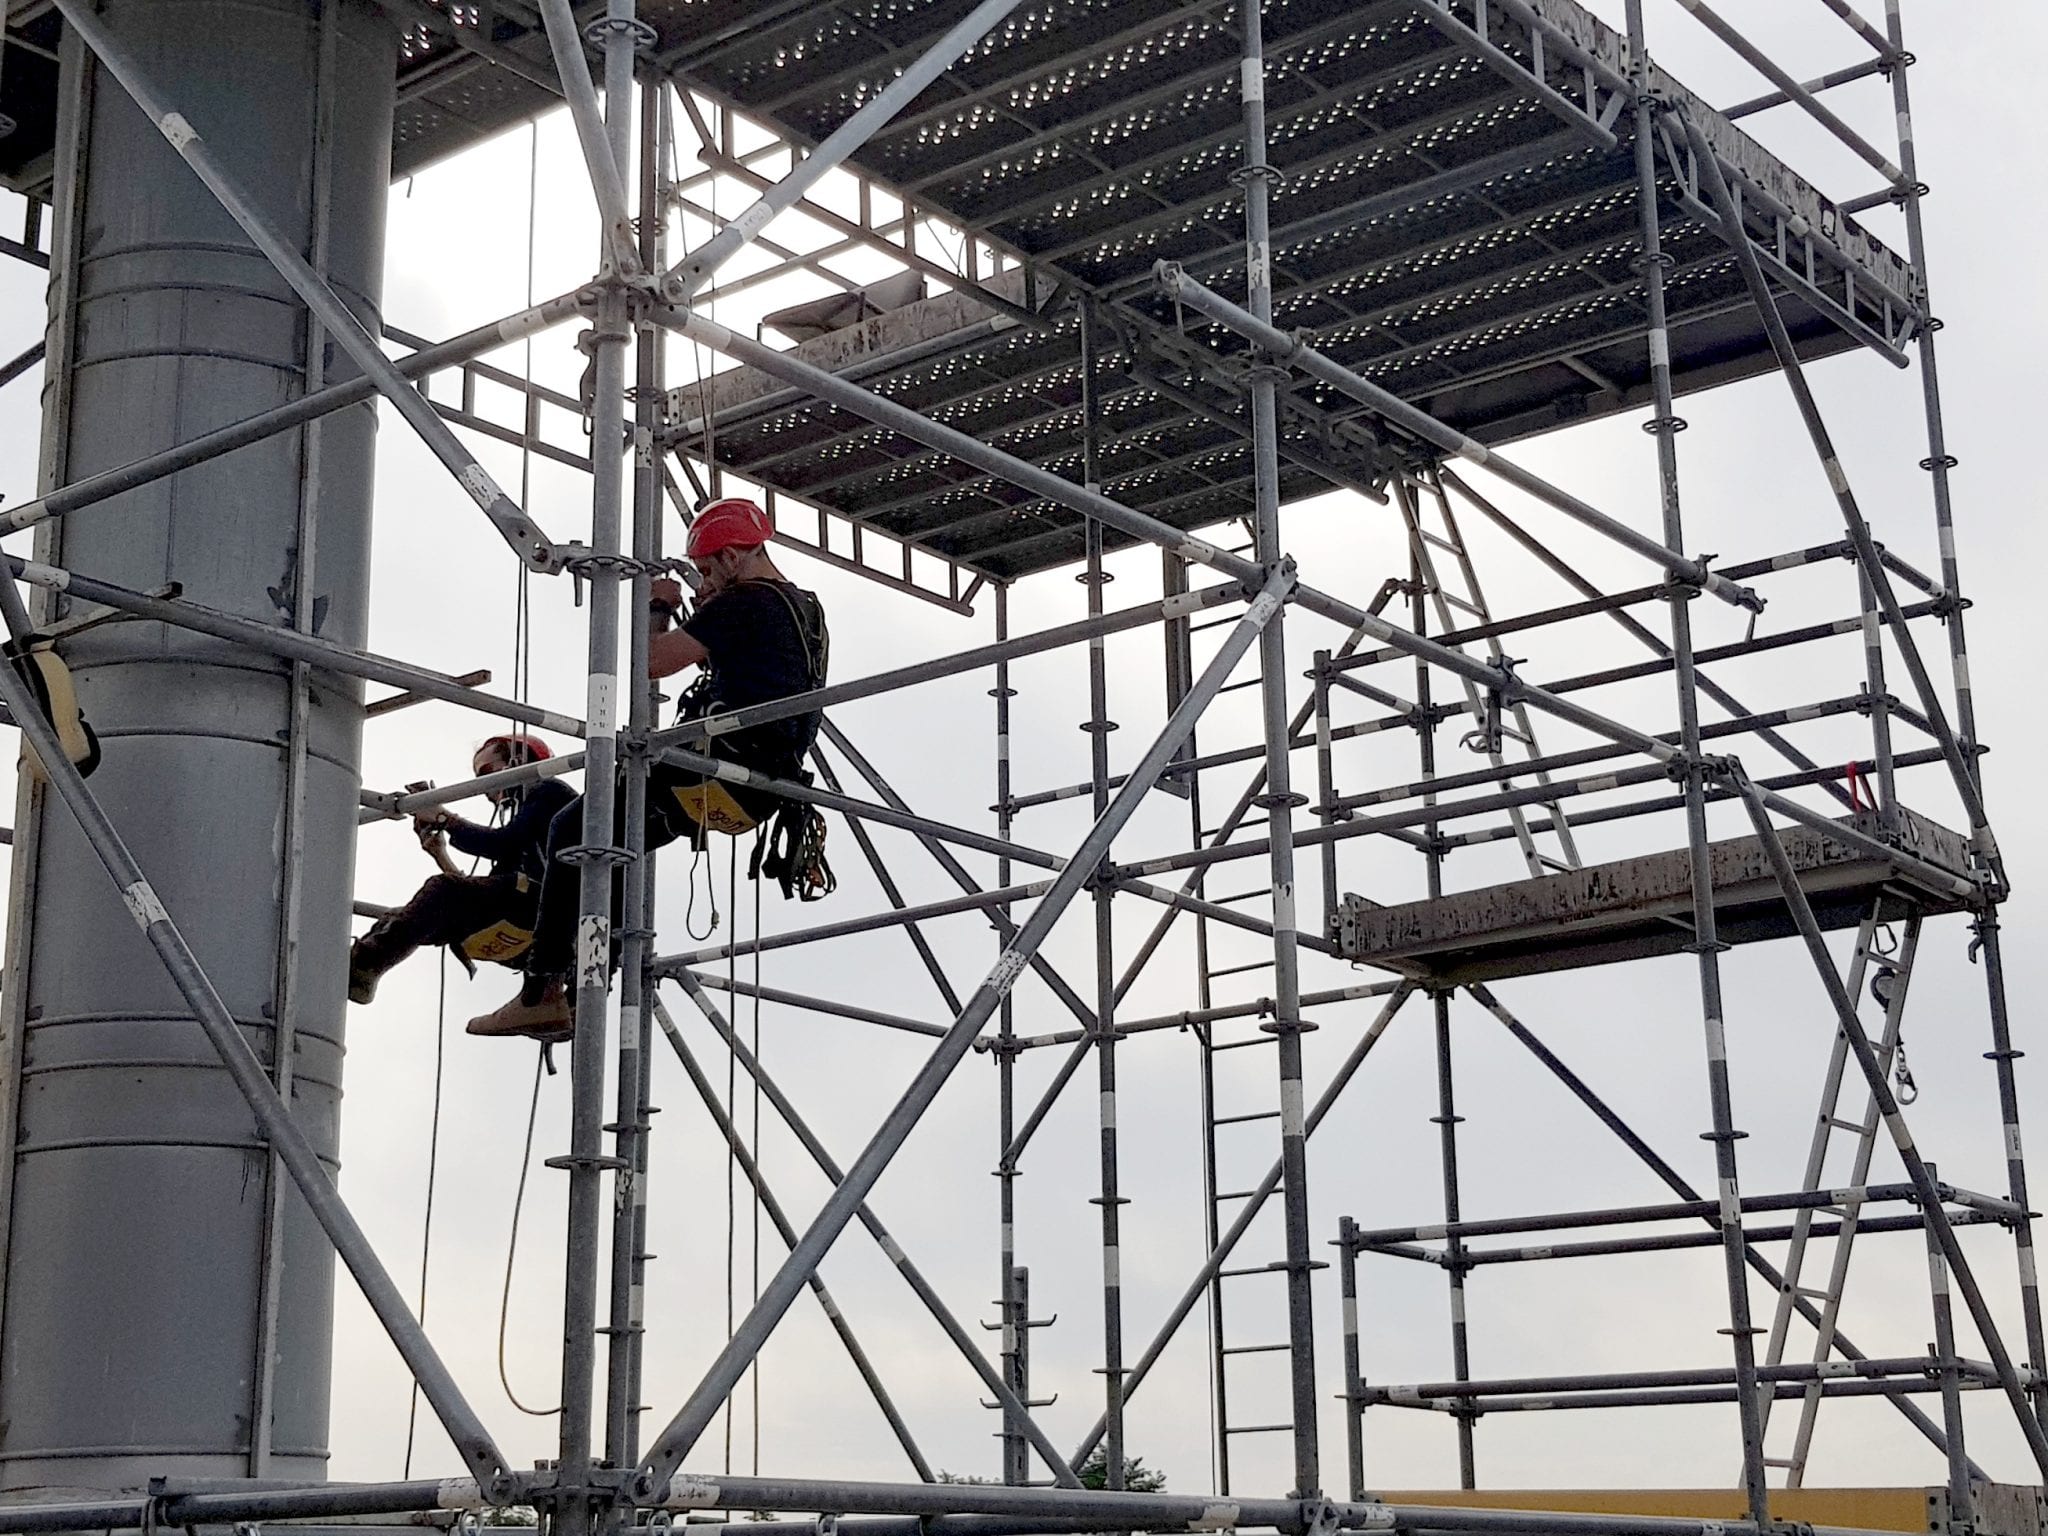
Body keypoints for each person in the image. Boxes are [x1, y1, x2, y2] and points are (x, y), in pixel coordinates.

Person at [467, 498, 830, 1039]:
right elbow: (753, 669)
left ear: (732, 557)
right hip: (759, 784)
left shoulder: (743, 603)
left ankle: (540, 991)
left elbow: (653, 663)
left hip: (711, 766)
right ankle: (582, 986)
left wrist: (659, 605)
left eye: (708, 569)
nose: (706, 580)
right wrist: (708, 616)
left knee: (572, 829)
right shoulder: (804, 608)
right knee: (614, 851)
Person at [347, 734, 575, 1007]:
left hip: (551, 917)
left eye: (487, 773)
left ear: (518, 761)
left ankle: (366, 962)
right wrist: (440, 854)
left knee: (443, 889)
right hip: (534, 925)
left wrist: (443, 817)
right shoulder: (528, 838)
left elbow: (501, 844)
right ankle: (359, 973)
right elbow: (482, 897)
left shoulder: (549, 792)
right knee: (402, 916)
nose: (485, 789)